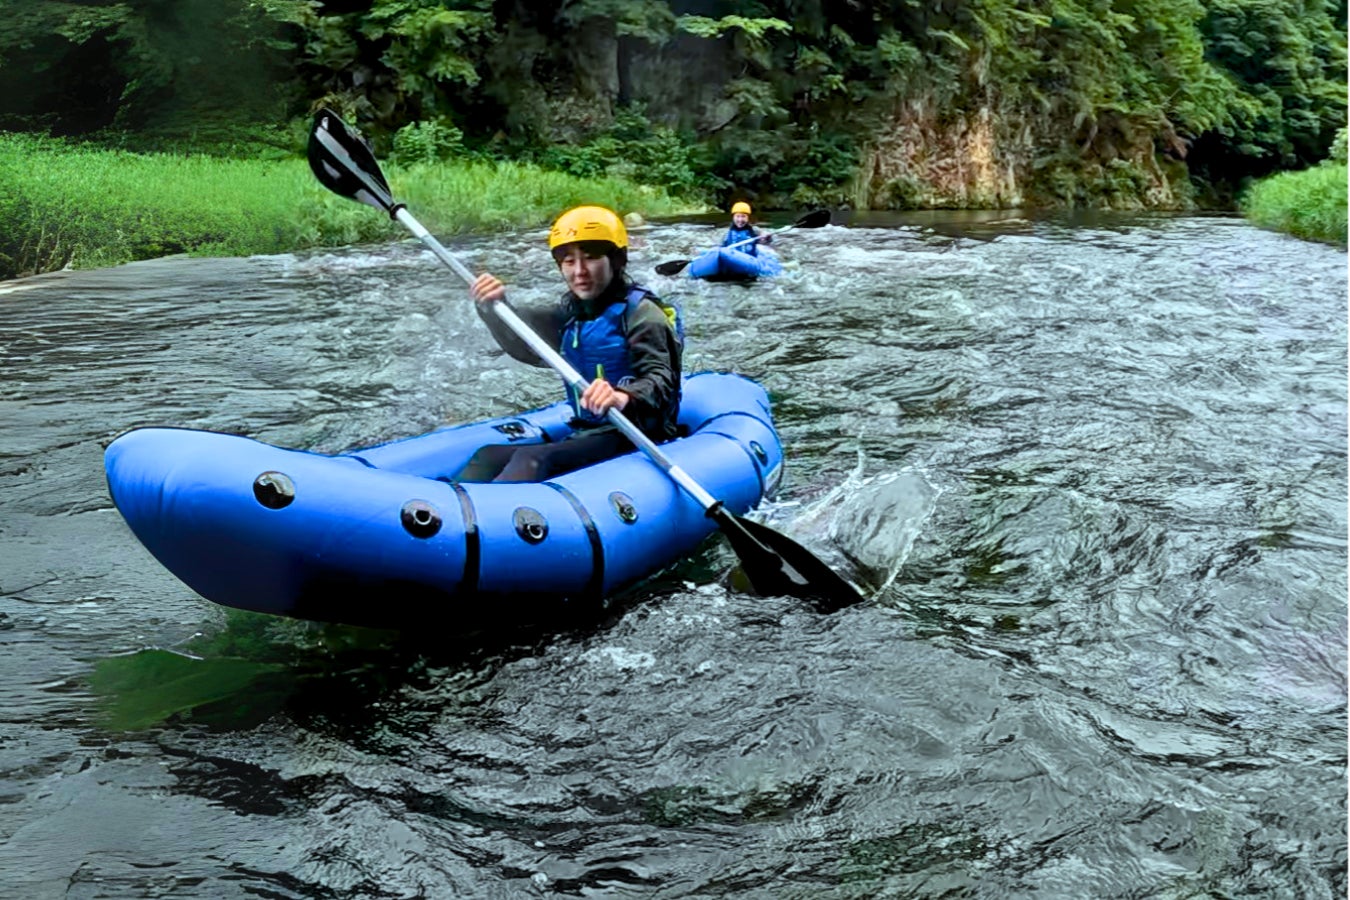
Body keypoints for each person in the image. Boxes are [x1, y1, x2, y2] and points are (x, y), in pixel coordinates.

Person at [456, 205, 683, 483]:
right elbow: (523, 344)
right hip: (590, 429)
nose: (579, 271)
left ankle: (484, 522)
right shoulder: (572, 314)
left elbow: (661, 380)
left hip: (636, 432)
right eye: (568, 261)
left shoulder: (643, 315)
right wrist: (493, 307)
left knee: (533, 459)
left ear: (616, 260)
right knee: (488, 455)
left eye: (590, 258)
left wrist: (622, 396)